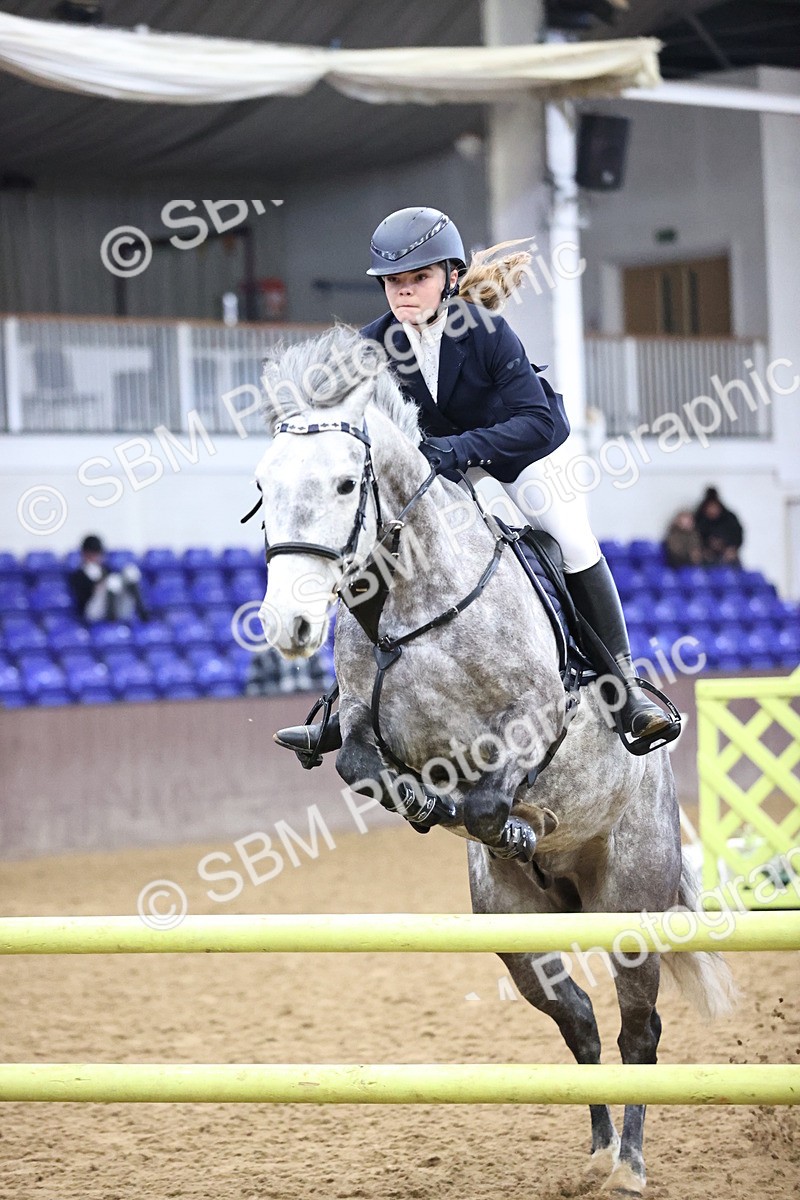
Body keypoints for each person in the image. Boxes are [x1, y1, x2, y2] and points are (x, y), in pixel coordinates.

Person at [276, 206, 680, 765]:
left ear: (451, 278)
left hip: (526, 451)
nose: (404, 292)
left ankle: (625, 688)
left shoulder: (485, 331)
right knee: (384, 556)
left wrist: (460, 450)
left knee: (570, 538)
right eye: (394, 282)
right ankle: (346, 707)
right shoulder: (374, 345)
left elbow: (534, 420)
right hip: (451, 463)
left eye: (418, 278)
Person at [69, 534, 148, 622]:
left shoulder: (105, 569)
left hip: (115, 605)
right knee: (112, 581)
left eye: (97, 554)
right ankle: (112, 619)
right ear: (84, 554)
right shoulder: (78, 574)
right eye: (91, 554)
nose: (95, 557)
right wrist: (98, 585)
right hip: (92, 611)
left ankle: (143, 614)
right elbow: (82, 599)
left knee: (130, 572)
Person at [694, 486, 743, 565]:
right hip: (706, 556)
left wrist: (732, 548)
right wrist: (703, 550)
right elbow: (694, 538)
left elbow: (737, 535)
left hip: (726, 554)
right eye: (710, 507)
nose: (712, 510)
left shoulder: (729, 519)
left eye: (714, 507)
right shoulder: (699, 520)